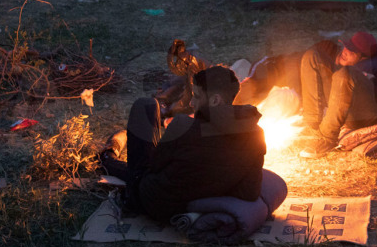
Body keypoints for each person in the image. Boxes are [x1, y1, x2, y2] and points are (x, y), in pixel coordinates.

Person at [101, 66, 266, 223]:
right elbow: (249, 193)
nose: (192, 103)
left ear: (215, 100)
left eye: (197, 96)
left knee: (146, 105)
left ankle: (107, 159)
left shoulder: (183, 126)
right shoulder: (256, 135)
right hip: (190, 208)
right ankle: (108, 158)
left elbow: (152, 167)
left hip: (154, 204)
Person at [299, 32, 377, 158]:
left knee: (345, 73)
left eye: (352, 51)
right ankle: (313, 123)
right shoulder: (342, 61)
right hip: (343, 105)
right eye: (347, 46)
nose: (345, 51)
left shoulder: (372, 70)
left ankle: (327, 139)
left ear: (363, 58)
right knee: (312, 55)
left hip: (365, 115)